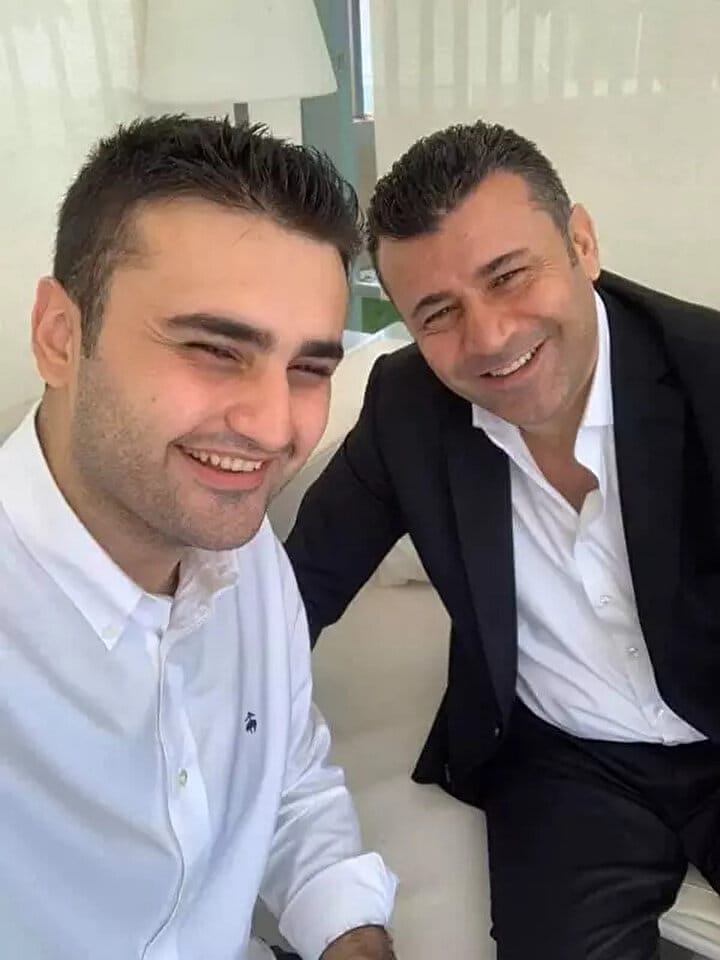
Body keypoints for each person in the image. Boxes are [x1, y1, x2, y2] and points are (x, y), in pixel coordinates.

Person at [285, 118, 720, 959]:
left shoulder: (708, 372)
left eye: (509, 276)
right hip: (568, 761)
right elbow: (296, 588)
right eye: (438, 313)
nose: (488, 337)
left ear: (581, 243)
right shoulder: (407, 407)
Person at [0, 115, 397, 960]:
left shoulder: (247, 557)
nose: (273, 426)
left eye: (310, 368)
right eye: (215, 350)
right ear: (60, 336)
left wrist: (352, 936)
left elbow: (289, 783)